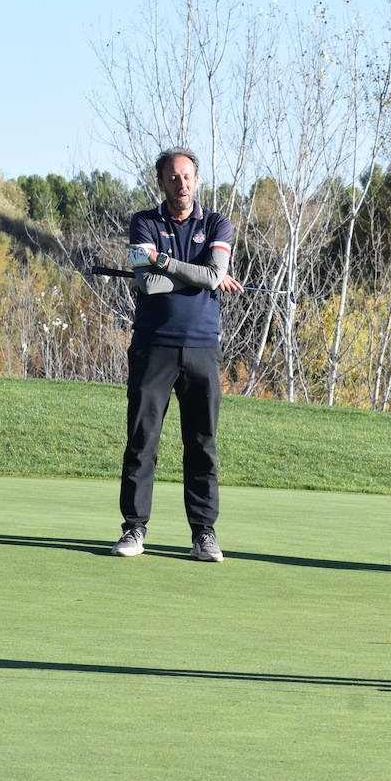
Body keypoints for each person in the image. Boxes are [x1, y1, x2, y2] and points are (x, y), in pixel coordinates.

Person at [111, 147, 243, 562]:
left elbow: (214, 275)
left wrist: (165, 261)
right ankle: (134, 529)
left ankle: (204, 533)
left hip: (202, 345)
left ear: (197, 181)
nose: (181, 183)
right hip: (153, 346)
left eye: (187, 176)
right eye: (173, 177)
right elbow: (147, 286)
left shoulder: (217, 222)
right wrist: (200, 277)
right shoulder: (143, 222)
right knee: (142, 440)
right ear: (161, 182)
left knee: (202, 443)